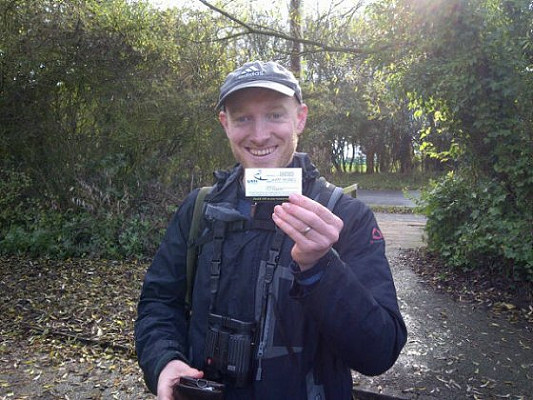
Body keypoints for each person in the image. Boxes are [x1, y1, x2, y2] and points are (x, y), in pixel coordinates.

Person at [135, 60, 407, 400]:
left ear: (300, 118)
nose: (260, 134)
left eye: (275, 114)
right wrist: (164, 361)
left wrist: (321, 267)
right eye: (243, 118)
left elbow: (379, 351)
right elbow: (159, 303)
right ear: (226, 124)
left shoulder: (345, 217)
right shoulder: (199, 209)